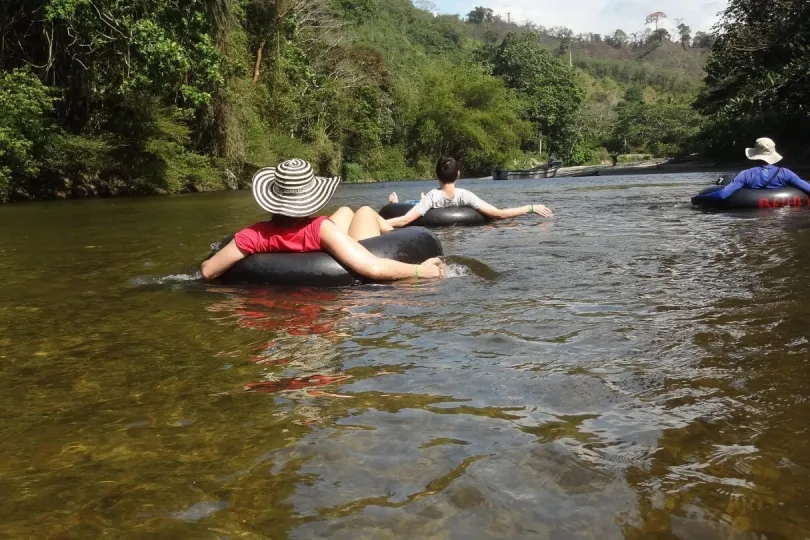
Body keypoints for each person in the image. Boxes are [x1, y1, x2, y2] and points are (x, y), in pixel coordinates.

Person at [201, 159, 445, 281]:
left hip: (297, 242)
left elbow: (208, 270)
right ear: (309, 198)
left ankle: (389, 225)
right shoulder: (319, 229)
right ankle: (391, 227)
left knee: (345, 212)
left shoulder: (254, 235)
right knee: (363, 212)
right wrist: (423, 271)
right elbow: (373, 267)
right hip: (335, 247)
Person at [386, 157, 553, 228]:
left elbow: (404, 220)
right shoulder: (465, 195)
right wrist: (531, 207)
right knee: (414, 204)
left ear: (437, 176)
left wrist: (380, 223)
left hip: (429, 204)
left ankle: (395, 202)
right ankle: (396, 204)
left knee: (416, 204)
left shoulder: (432, 196)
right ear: (458, 174)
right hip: (429, 203)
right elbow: (499, 214)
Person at [693, 138, 810, 202]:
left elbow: (722, 195)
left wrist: (699, 198)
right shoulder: (786, 173)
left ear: (754, 156)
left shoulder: (746, 175)